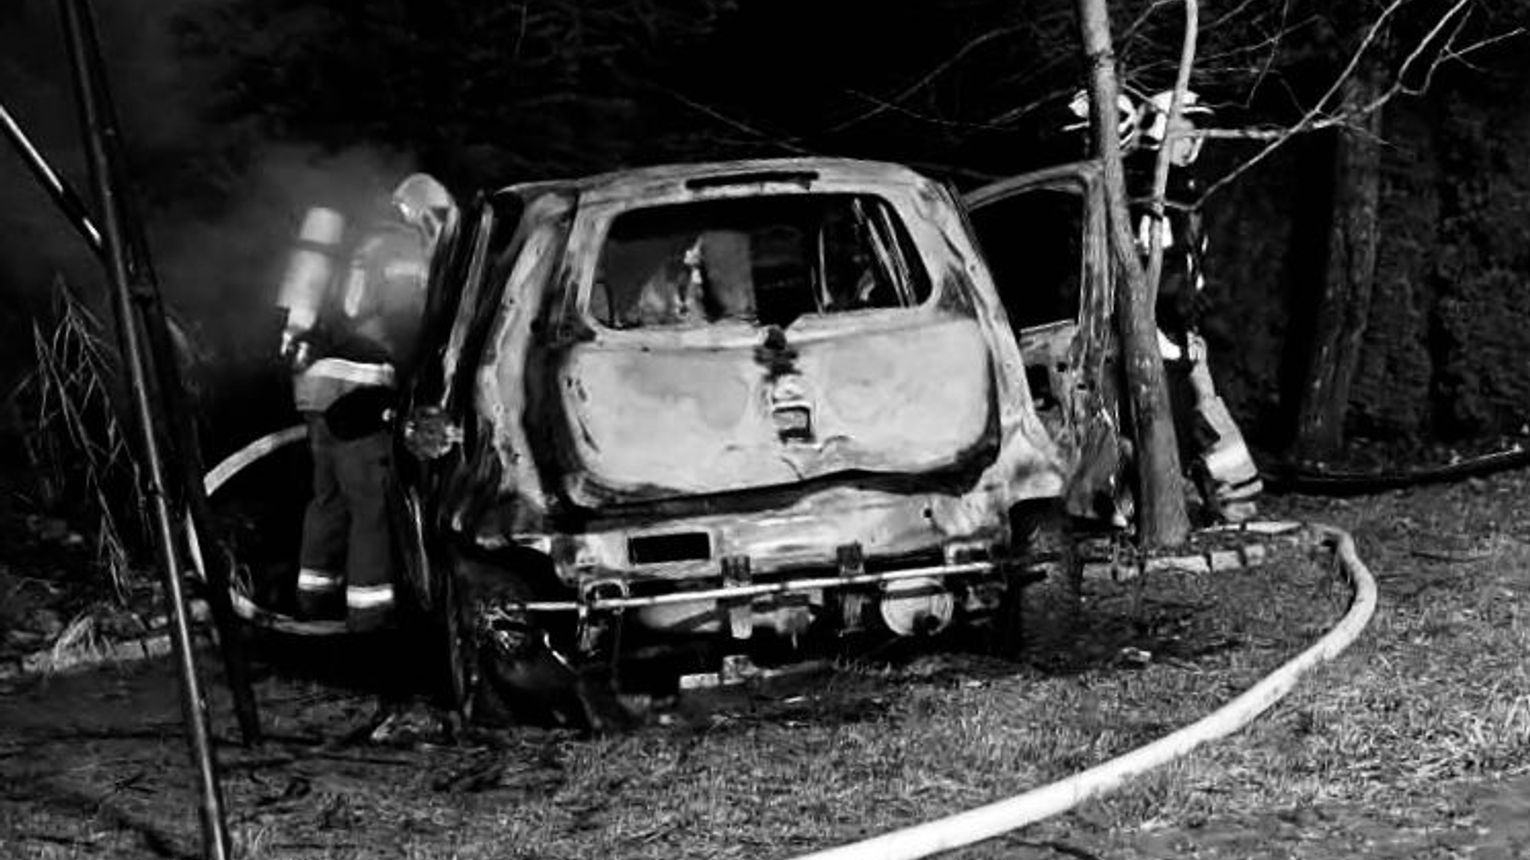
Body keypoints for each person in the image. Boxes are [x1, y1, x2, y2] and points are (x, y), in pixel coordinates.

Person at [280, 173, 455, 630]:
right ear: (422, 215)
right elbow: (404, 319)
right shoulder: (399, 246)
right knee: (370, 505)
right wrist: (426, 373)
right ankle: (370, 617)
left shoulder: (355, 244)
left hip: (315, 387)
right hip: (359, 386)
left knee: (328, 500)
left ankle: (314, 602)